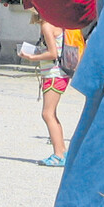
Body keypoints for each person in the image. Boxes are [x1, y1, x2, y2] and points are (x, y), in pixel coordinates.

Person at [20, 14, 69, 167]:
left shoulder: (47, 26)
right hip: (60, 74)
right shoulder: (58, 23)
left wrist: (31, 57)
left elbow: (53, 54)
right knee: (52, 113)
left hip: (53, 74)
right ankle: (61, 150)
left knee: (47, 113)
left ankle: (58, 154)